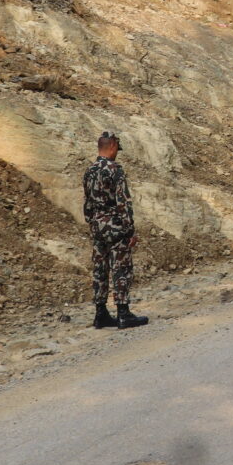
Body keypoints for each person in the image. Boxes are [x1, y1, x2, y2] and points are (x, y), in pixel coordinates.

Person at [81, 131, 149, 329]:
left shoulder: (89, 170)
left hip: (97, 226)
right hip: (115, 227)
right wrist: (129, 231)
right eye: (117, 149)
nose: (117, 153)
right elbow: (123, 202)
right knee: (121, 268)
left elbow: (87, 203)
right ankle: (123, 313)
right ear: (111, 147)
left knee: (100, 269)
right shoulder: (114, 170)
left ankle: (100, 313)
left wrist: (93, 223)